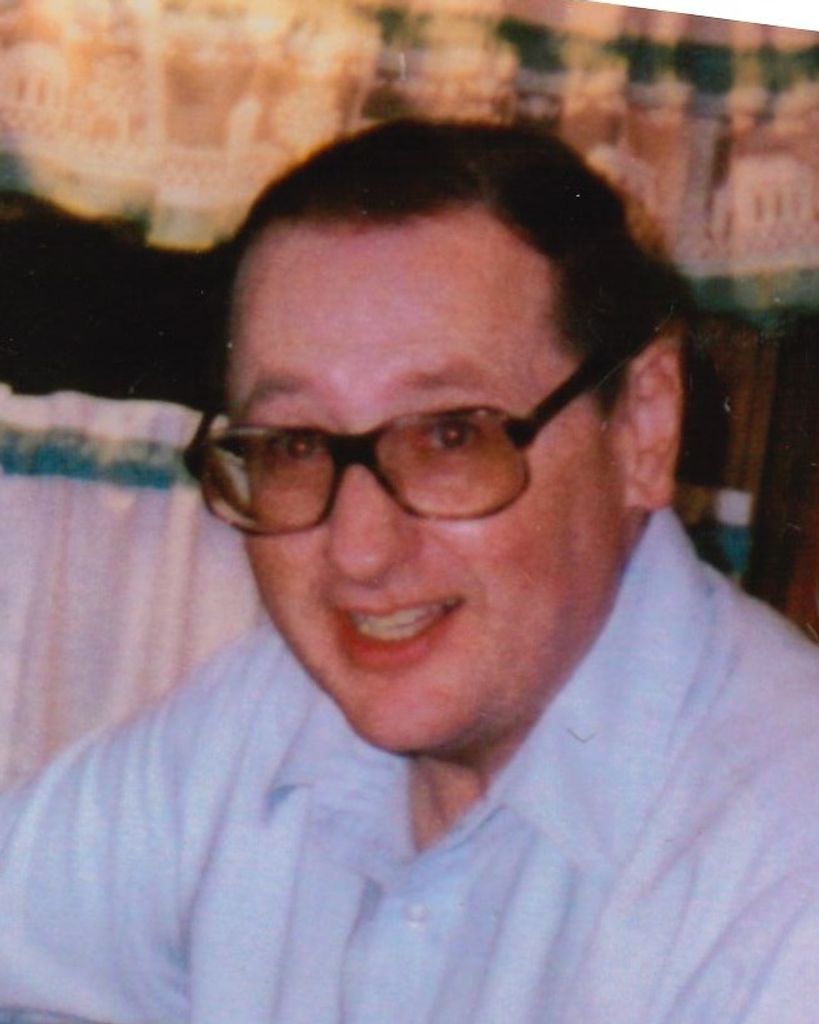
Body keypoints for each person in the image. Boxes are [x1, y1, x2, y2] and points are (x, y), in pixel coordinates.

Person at [1, 118, 819, 1024]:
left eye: (449, 436)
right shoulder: (266, 718)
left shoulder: (783, 881)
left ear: (642, 428)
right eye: (295, 444)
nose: (358, 552)